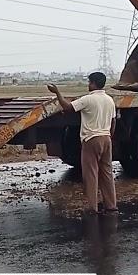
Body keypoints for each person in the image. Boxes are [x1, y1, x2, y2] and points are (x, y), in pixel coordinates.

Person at [47, 72, 117, 214]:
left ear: (93, 83)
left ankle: (92, 207)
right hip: (106, 138)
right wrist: (110, 135)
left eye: (89, 82)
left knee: (91, 174)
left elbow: (68, 107)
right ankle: (111, 205)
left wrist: (57, 93)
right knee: (107, 173)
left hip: (91, 139)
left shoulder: (88, 100)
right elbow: (113, 121)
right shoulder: (110, 100)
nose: (88, 85)